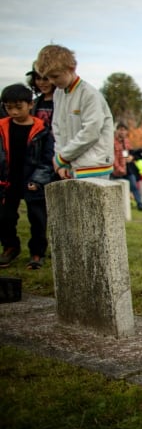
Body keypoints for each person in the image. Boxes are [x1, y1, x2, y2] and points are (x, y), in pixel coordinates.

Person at [35, 45, 114, 180]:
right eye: (49, 77)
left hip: (94, 166)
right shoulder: (58, 94)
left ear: (71, 68)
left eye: (55, 76)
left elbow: (91, 132)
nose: (52, 81)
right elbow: (58, 128)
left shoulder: (89, 94)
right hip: (70, 165)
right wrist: (61, 160)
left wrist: (63, 157)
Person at [0, 84, 55, 269]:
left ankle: (37, 253)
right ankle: (10, 247)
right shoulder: (2, 129)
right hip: (8, 181)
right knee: (5, 217)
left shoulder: (42, 131)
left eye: (18, 107)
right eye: (9, 107)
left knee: (38, 219)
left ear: (30, 105)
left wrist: (38, 180)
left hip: (32, 180)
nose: (14, 112)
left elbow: (47, 159)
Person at [110, 122, 142, 211]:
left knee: (134, 186)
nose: (122, 132)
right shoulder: (112, 142)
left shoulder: (127, 142)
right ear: (117, 131)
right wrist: (118, 168)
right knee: (116, 189)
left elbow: (130, 152)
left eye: (124, 130)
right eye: (121, 130)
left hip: (127, 169)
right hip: (116, 170)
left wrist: (132, 157)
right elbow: (112, 157)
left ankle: (140, 203)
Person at [26, 64, 54, 128]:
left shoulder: (64, 102)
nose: (41, 82)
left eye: (46, 79)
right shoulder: (34, 103)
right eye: (38, 78)